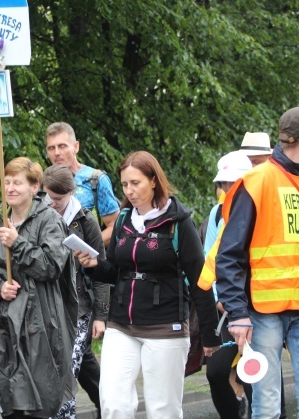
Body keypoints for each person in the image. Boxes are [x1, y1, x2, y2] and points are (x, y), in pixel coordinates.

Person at [76, 151, 221, 419]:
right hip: (121, 325)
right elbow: (117, 272)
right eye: (124, 185)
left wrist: (211, 336)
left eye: (136, 183)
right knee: (113, 405)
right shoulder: (122, 220)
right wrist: (94, 265)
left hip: (166, 326)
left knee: (163, 410)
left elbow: (201, 281)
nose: (129, 191)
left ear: (154, 180)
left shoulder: (179, 223)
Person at [215, 107, 299, 419]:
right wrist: (238, 314)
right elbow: (229, 255)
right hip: (264, 312)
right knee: (267, 405)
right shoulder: (256, 182)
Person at [0, 157, 78, 419]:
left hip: (42, 325)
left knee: (40, 404)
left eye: (17, 182)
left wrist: (17, 243)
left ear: (34, 187)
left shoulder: (49, 220)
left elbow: (51, 266)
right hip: (4, 325)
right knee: (10, 403)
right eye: (6, 182)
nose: (10, 188)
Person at [42, 165, 109, 419]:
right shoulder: (40, 215)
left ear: (71, 192)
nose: (52, 204)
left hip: (80, 306)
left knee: (68, 370)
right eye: (47, 197)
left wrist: (101, 316)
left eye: (58, 199)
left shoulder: (86, 221)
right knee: (81, 363)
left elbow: (102, 272)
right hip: (49, 305)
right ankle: (110, 403)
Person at [202, 151, 253, 419]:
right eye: (223, 183)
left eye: (233, 183)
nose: (227, 189)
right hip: (226, 309)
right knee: (216, 372)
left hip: (259, 308)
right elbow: (208, 259)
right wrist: (219, 299)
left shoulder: (260, 208)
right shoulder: (216, 213)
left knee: (256, 373)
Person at [45, 122, 120, 246]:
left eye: (62, 146)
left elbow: (114, 227)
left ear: (76, 147)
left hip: (87, 261)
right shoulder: (44, 183)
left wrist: (84, 248)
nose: (57, 152)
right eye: (51, 148)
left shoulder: (95, 180)